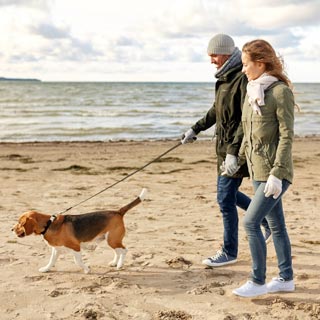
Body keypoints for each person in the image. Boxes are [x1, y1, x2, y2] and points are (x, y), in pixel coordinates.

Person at [181, 34, 271, 267]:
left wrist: (233, 153)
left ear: (226, 53)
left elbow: (245, 119)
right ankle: (266, 221)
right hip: (224, 148)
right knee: (228, 195)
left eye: (214, 55)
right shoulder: (223, 78)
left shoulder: (241, 78)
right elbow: (216, 110)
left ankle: (229, 252)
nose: (211, 60)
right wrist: (195, 128)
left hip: (237, 149)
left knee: (224, 198)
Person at [230, 39, 295, 297]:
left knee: (250, 222)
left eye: (246, 64)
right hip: (258, 171)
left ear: (261, 63)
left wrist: (278, 174)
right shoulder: (252, 91)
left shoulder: (280, 92)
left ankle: (257, 282)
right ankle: (285, 278)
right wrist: (236, 161)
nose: (243, 69)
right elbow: (248, 132)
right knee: (277, 227)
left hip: (275, 173)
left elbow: (287, 136)